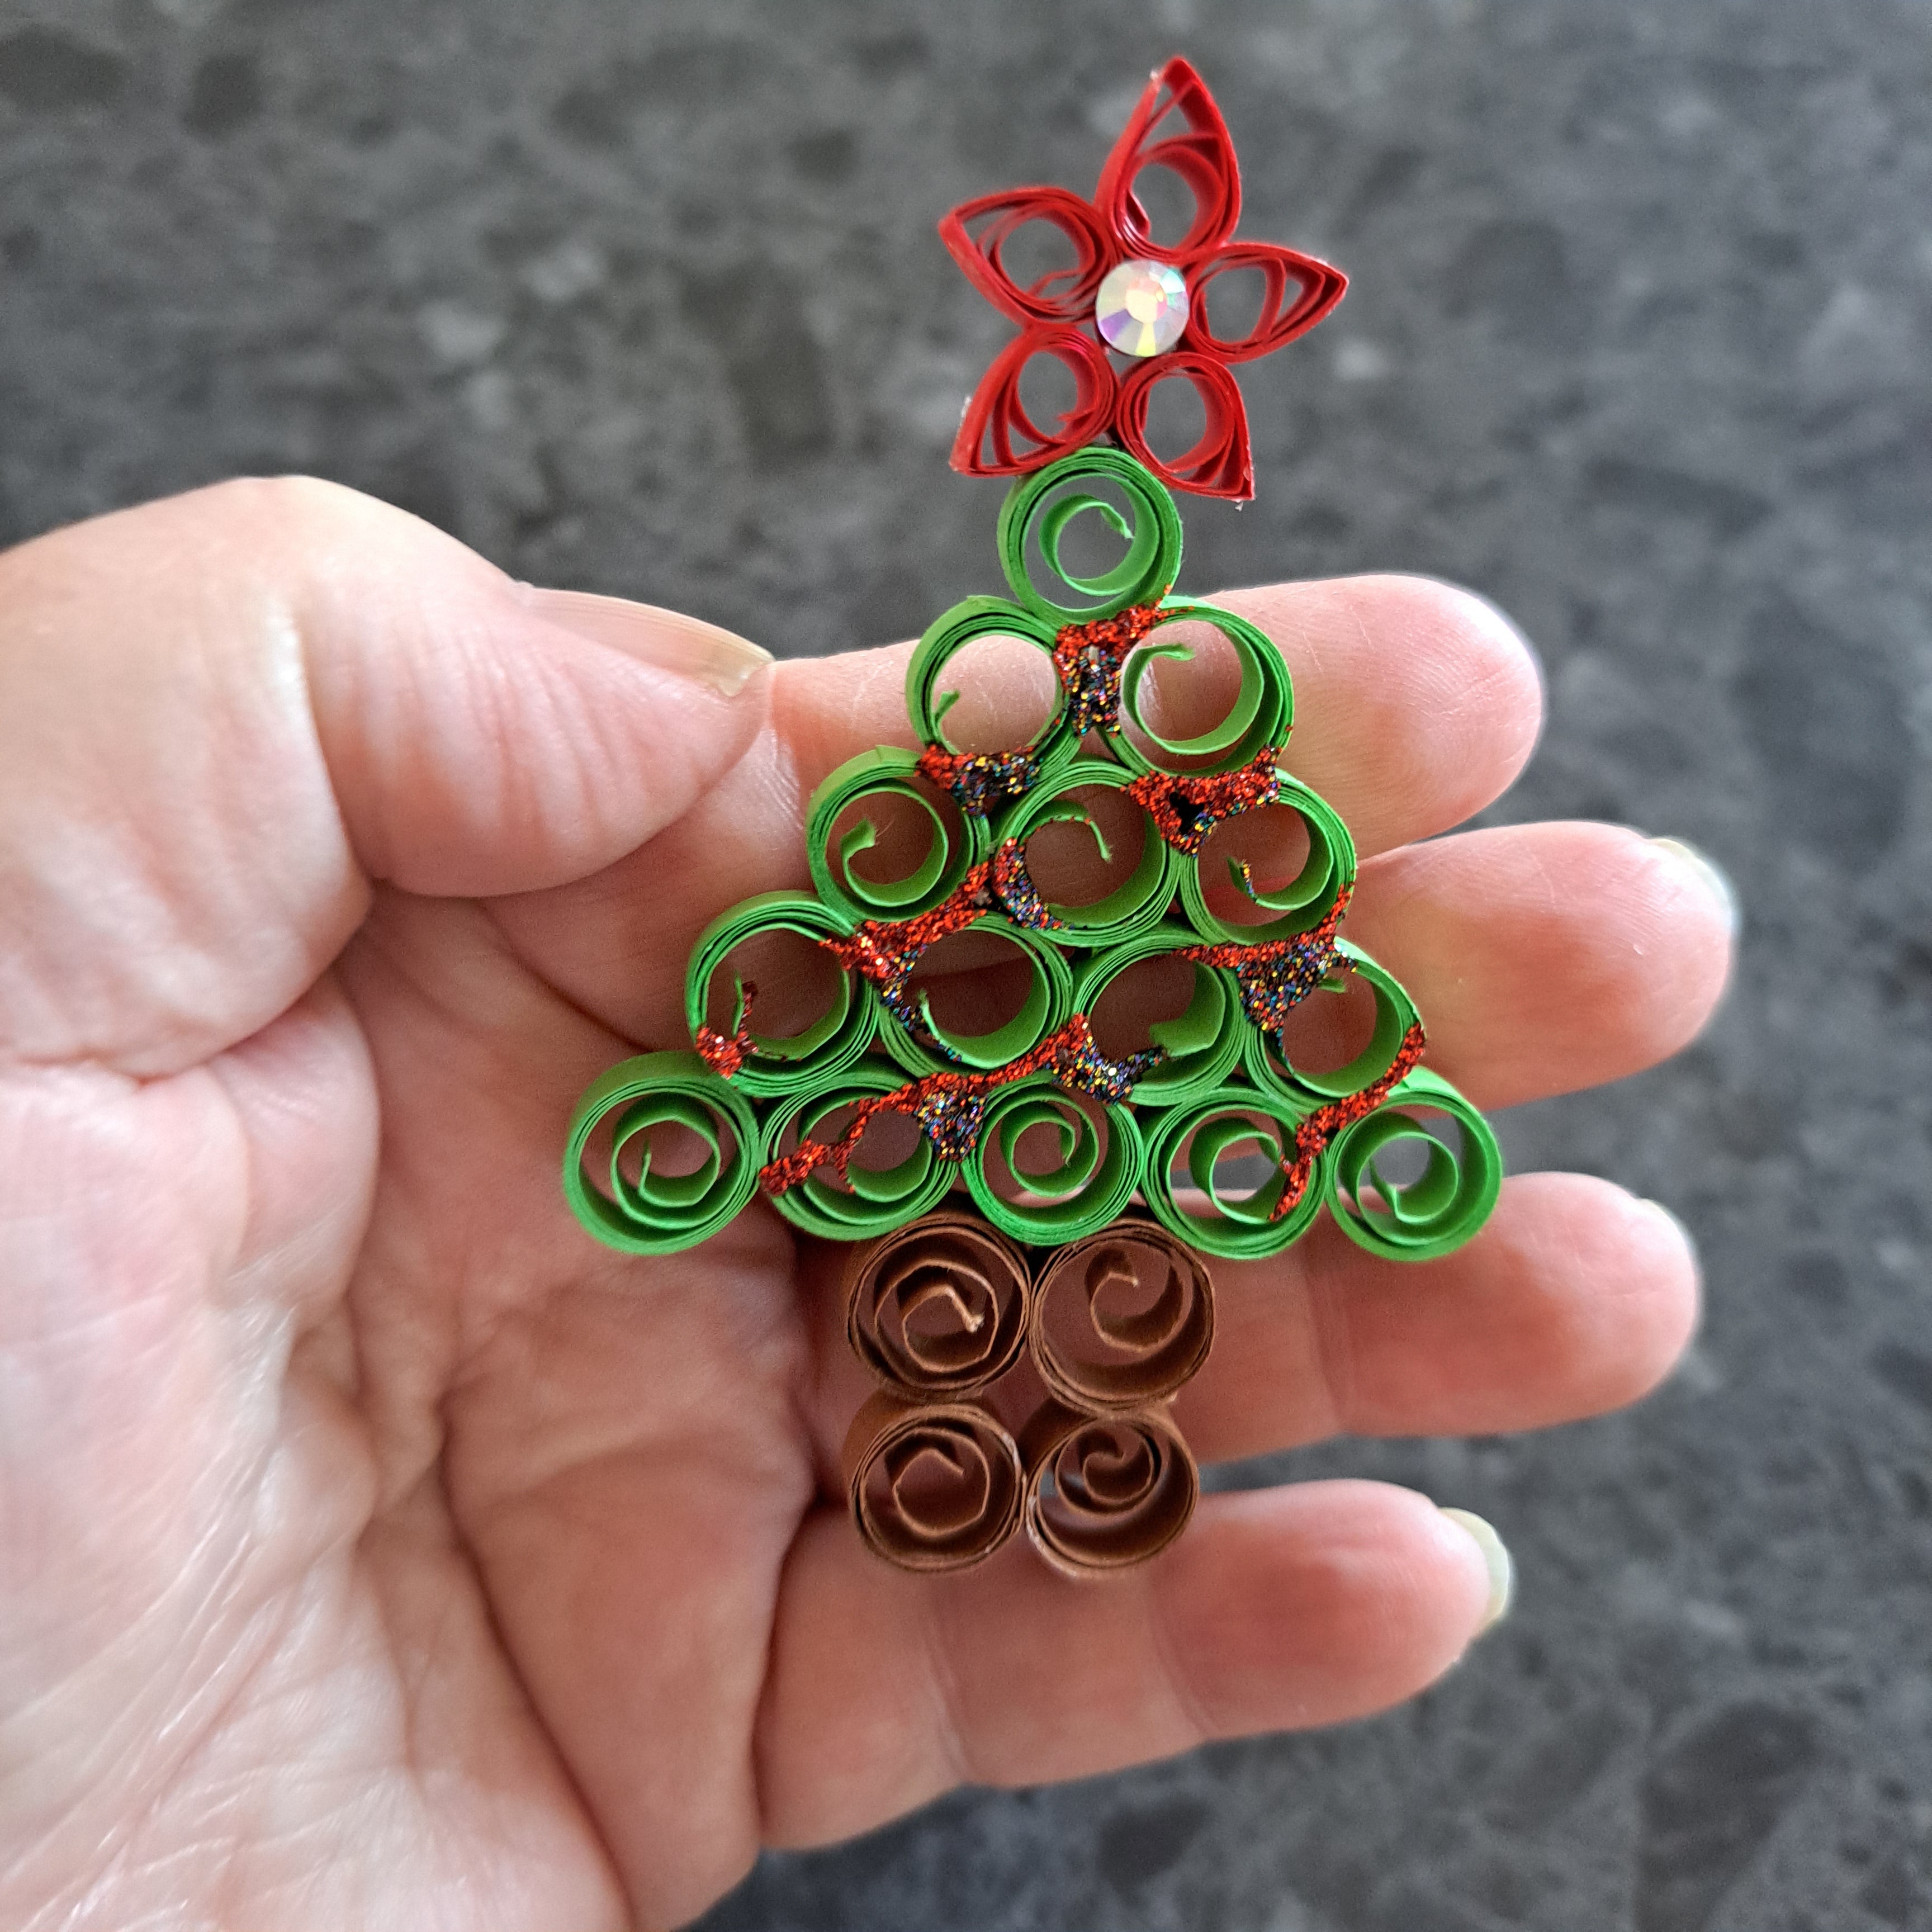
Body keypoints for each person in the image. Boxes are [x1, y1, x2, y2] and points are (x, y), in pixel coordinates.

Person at [0, 477, 1732, 1930]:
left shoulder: (1152, 865)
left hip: (1020, 1121)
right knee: (987, 1332)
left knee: (1092, 1343)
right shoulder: (957, 884)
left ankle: (1051, 1444)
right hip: (919, 1132)